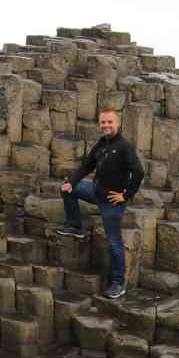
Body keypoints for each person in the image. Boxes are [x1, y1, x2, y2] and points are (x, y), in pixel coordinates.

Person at [56, 108, 145, 299]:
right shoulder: (102, 144)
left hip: (112, 202)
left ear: (117, 123)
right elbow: (87, 165)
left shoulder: (124, 146)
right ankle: (75, 226)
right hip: (95, 191)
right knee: (66, 188)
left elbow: (138, 172)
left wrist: (126, 195)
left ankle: (118, 283)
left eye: (109, 122)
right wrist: (71, 183)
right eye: (103, 122)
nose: (106, 125)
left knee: (114, 243)